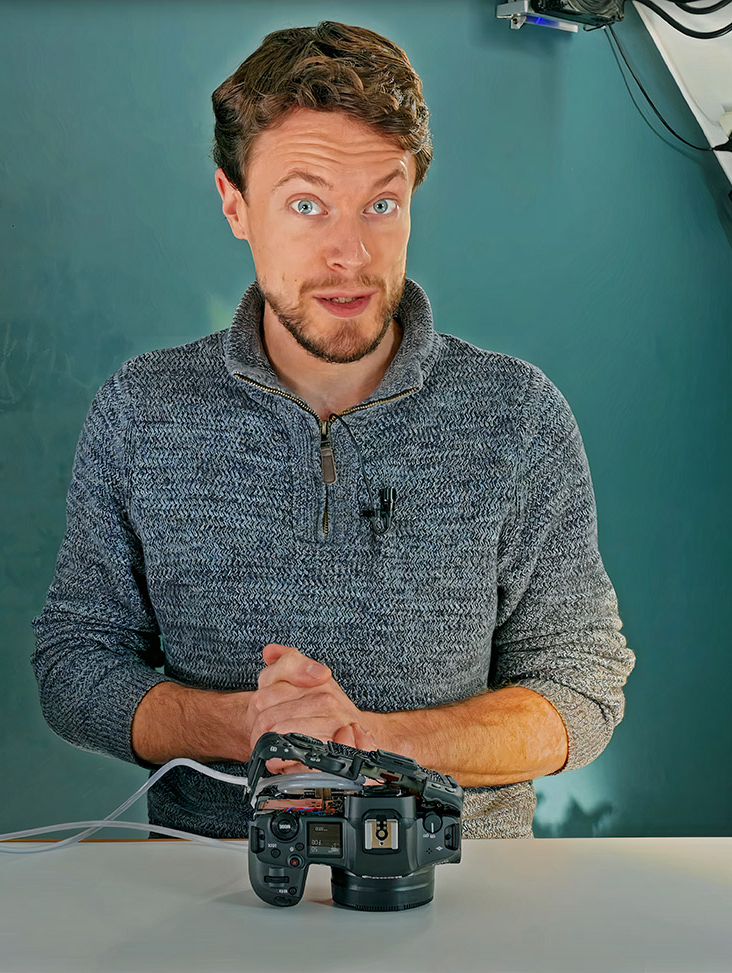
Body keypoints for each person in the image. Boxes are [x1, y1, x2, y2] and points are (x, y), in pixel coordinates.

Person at [31, 21, 634, 839]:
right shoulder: (141, 411)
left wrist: (362, 741)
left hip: (463, 885)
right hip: (208, 885)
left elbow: (581, 684)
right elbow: (74, 662)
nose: (350, 254)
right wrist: (244, 726)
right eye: (306, 205)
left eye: (381, 204)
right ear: (235, 203)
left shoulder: (517, 416)